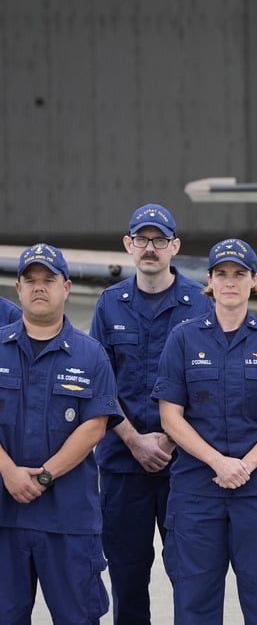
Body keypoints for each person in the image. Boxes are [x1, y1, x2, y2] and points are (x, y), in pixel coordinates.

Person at [152, 238, 257, 625]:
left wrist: (246, 465)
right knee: (194, 605)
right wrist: (218, 462)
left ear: (255, 280)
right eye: (221, 274)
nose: (230, 282)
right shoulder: (184, 338)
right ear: (209, 280)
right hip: (197, 491)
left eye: (239, 274)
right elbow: (170, 417)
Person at [88, 203, 214, 624]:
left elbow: (209, 384)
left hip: (186, 469)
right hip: (124, 466)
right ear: (128, 245)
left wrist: (170, 437)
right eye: (142, 239)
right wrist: (134, 440)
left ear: (174, 246)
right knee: (127, 578)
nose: (150, 248)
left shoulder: (200, 304)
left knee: (191, 577)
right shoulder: (110, 305)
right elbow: (98, 385)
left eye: (159, 240)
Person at [0, 243, 122, 623]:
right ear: (17, 289)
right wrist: (8, 471)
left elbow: (94, 427)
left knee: (77, 617)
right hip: (5, 518)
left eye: (48, 280)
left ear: (66, 287)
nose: (39, 287)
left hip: (69, 522)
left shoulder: (91, 354)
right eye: (30, 280)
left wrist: (45, 474)